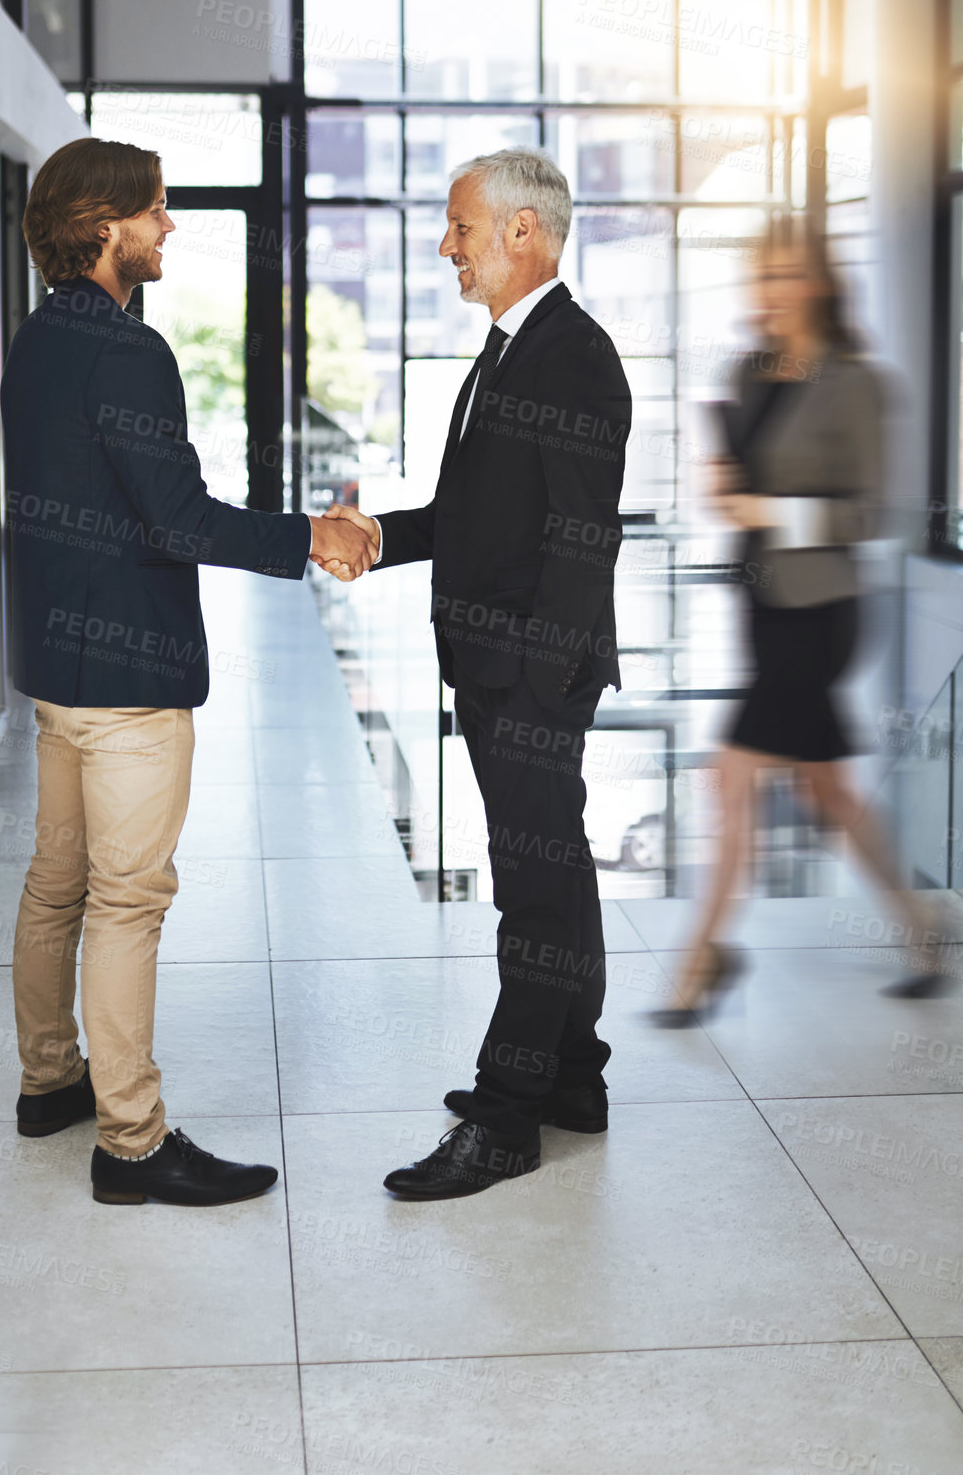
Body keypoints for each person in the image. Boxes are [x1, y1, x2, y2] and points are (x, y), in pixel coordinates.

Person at [1, 138, 375, 1206]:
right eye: (157, 212)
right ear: (106, 224)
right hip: (125, 679)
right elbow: (176, 518)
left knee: (55, 882)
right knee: (127, 900)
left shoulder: (34, 339)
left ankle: (48, 1081)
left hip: (56, 667)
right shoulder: (128, 349)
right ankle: (130, 1139)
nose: (169, 229)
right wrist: (314, 534)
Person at [322, 149, 631, 1199]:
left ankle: (506, 1115)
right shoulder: (509, 349)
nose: (444, 245)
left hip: (530, 676)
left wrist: (540, 687)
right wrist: (377, 535)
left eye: (459, 227)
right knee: (557, 875)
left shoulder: (572, 356)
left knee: (531, 893)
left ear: (522, 234)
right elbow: (481, 517)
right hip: (499, 662)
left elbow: (586, 537)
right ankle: (571, 1078)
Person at [650, 219, 952, 1027]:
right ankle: (921, 934)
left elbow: (872, 514)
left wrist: (771, 510)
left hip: (822, 611)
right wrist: (723, 486)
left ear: (818, 281)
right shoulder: (747, 372)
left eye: (786, 274)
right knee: (828, 791)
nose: (770, 289)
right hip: (763, 604)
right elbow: (738, 488)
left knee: (731, 775)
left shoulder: (856, 382)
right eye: (761, 274)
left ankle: (700, 961)